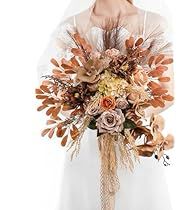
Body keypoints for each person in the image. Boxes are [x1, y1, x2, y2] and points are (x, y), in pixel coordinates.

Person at [37, 0, 174, 209]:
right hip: (88, 146)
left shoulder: (152, 23)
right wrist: (89, 106)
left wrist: (126, 111)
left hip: (133, 142)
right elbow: (55, 88)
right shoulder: (72, 25)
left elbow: (167, 92)